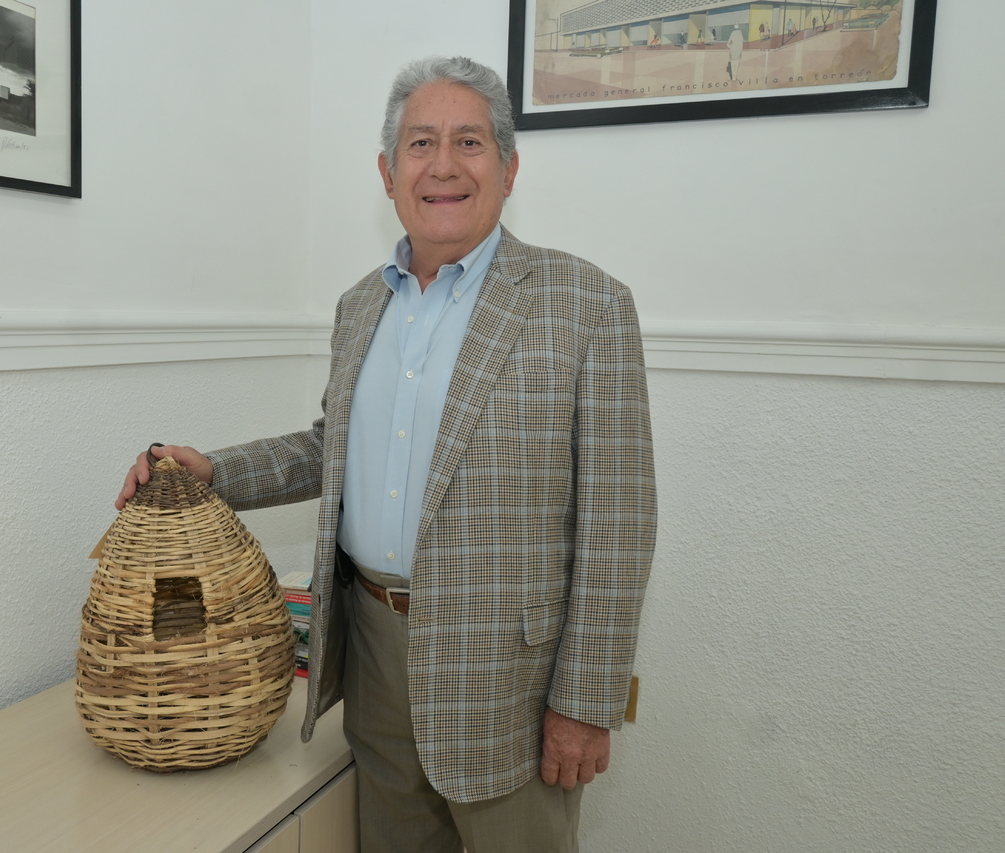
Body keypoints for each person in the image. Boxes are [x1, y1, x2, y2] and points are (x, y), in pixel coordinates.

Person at [117, 56, 656, 853]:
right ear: (387, 172)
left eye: (469, 142)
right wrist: (216, 470)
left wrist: (585, 701)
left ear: (509, 168)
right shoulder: (361, 304)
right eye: (420, 143)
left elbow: (621, 526)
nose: (443, 165)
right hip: (372, 654)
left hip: (507, 681)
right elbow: (332, 448)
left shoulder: (588, 304)